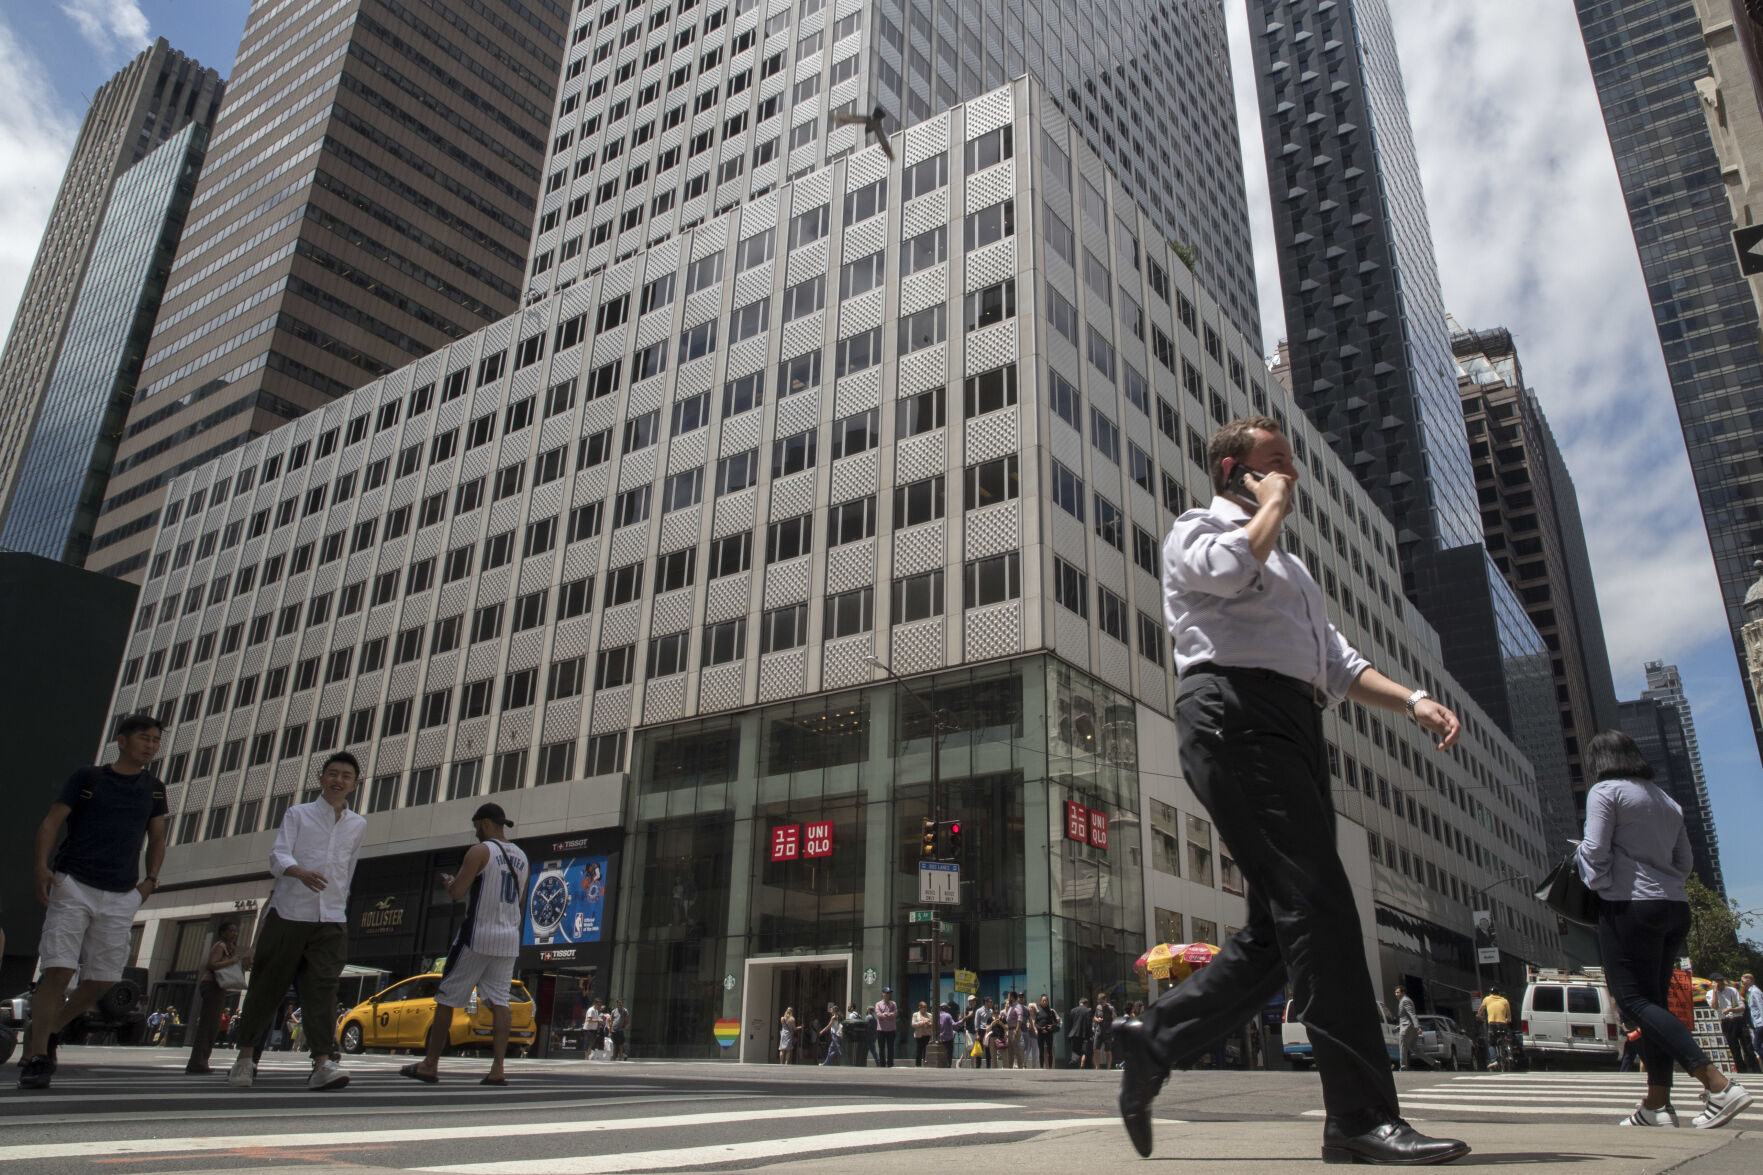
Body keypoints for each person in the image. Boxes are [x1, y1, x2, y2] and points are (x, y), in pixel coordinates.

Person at [1116, 417, 1470, 1164]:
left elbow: (1335, 664)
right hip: (1232, 713)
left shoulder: (1291, 568)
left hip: (1294, 724)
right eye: (1273, 462)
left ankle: (1156, 1038)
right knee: (1320, 907)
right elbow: (1225, 572)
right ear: (1231, 470)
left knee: (1280, 932)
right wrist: (1269, 504)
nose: (1289, 475)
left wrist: (1411, 700)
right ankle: (1357, 1115)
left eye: (1290, 466)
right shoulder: (1197, 529)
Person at [1577, 729, 1752, 1128]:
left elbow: (1595, 850)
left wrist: (1603, 882)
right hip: (1674, 906)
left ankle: (1718, 1084)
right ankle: (1657, 1106)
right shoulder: (1666, 800)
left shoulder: (1606, 792)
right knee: (1652, 1003)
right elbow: (1685, 861)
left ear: (1599, 761)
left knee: (1633, 1001)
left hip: (1629, 906)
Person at [18, 714, 167, 1090]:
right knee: (59, 969)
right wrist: (41, 867)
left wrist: (149, 882)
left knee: (103, 979)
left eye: (155, 740)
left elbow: (158, 837)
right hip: (74, 883)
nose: (150, 745)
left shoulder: (154, 788)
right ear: (122, 740)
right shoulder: (88, 778)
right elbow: (52, 822)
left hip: (122, 892)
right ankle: (36, 1056)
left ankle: (48, 1028)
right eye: (144, 738)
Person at [227, 753, 366, 1092]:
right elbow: (278, 854)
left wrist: (341, 904)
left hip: (331, 916)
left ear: (354, 784)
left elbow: (349, 869)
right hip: (290, 911)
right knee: (267, 985)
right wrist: (299, 872)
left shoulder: (357, 824)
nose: (338, 780)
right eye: (332, 774)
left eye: (346, 776)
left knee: (323, 989)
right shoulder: (298, 814)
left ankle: (321, 1063)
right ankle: (245, 1059)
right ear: (321, 778)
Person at [401, 802, 531, 1086]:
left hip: (477, 935)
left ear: (484, 823)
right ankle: (498, 1068)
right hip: (508, 937)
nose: (475, 832)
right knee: (500, 1002)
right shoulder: (522, 857)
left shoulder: (480, 851)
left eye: (476, 827)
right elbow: (519, 901)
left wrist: (450, 883)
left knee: (447, 997)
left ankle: (430, 1064)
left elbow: (458, 892)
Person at [187, 921, 242, 1074]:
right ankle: (198, 1062)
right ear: (222, 933)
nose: (234, 933)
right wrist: (232, 960)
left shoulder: (228, 947)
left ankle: (202, 1060)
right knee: (208, 1025)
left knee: (212, 1025)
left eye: (236, 931)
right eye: (231, 930)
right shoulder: (220, 946)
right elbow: (211, 964)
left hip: (218, 986)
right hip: (212, 985)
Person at [1709, 976, 1757, 1075]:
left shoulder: (1731, 990)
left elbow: (1741, 1007)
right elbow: (1715, 1006)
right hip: (1726, 1021)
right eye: (1718, 982)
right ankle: (1742, 1070)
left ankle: (1755, 1069)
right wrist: (1714, 991)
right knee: (1734, 1048)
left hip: (1739, 1019)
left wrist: (1730, 1009)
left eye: (1721, 981)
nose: (1720, 984)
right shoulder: (1710, 994)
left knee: (1748, 1046)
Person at [1479, 986, 1512, 1070]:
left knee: (1491, 1043)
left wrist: (1479, 1016)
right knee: (1506, 1038)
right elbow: (1509, 1017)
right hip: (1503, 1024)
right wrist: (1507, 1020)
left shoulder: (1487, 999)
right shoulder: (1505, 1001)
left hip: (1492, 1024)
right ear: (1499, 993)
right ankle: (1509, 1054)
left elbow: (1480, 1011)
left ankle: (1494, 1060)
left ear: (1490, 993)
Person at [1395, 987, 1423, 1071]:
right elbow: (1406, 1016)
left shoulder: (1405, 1000)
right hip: (1407, 1026)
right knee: (1414, 1048)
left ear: (1403, 993)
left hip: (1407, 1027)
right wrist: (1399, 1025)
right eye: (1395, 992)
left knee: (1402, 1045)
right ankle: (1434, 1062)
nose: (1396, 994)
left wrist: (1417, 1027)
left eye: (1397, 992)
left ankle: (1403, 1067)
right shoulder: (1404, 1000)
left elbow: (1411, 1014)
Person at [873, 987, 898, 1067]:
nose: (888, 995)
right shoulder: (878, 1004)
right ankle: (882, 1064)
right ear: (883, 994)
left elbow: (895, 1014)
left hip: (891, 1029)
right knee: (881, 1048)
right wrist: (887, 1015)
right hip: (881, 1029)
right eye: (886, 993)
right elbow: (878, 1015)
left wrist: (886, 1014)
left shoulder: (893, 1004)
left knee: (890, 1047)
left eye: (889, 993)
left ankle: (890, 1063)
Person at [1093, 993, 1116, 1071]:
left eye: (1101, 1002)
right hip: (1099, 1030)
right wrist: (1097, 1019)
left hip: (1108, 1032)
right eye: (1099, 1002)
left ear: (1105, 1000)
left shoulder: (1110, 1008)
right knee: (1096, 1049)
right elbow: (1094, 1017)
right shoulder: (1098, 1007)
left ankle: (1108, 1068)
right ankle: (1097, 1067)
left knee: (1108, 1050)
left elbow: (1115, 1018)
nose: (1100, 1004)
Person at [1067, 996, 1092, 1069]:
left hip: (1074, 1033)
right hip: (1084, 1034)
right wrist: (1091, 1035)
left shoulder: (1073, 1011)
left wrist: (1070, 1033)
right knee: (1084, 1051)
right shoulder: (1088, 1011)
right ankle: (1082, 1065)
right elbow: (1088, 1024)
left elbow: (1070, 1024)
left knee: (1075, 1050)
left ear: (1079, 1003)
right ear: (1086, 1003)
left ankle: (1074, 1061)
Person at [1036, 995, 1061, 1069]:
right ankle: (1041, 1067)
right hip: (1041, 1033)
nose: (1044, 1002)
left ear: (1048, 1001)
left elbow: (1057, 1023)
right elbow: (1035, 1023)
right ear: (1040, 1001)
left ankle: (1050, 1067)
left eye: (1046, 1000)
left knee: (1050, 1051)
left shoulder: (1051, 1011)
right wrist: (1040, 1029)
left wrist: (1052, 1027)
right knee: (1041, 1051)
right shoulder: (1038, 1012)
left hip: (1049, 1033)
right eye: (1043, 1000)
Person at [1746, 974, 1763, 1072]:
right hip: (1757, 1022)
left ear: (1750, 980)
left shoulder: (1755, 991)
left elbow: (1761, 1005)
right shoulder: (1751, 991)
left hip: (1760, 1023)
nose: (1742, 983)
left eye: (1743, 981)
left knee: (1756, 1045)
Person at [912, 1001, 933, 1066]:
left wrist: (929, 1024)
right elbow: (913, 1024)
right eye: (923, 1007)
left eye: (926, 1007)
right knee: (919, 1051)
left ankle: (926, 1064)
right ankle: (918, 1065)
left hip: (927, 1035)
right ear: (919, 1007)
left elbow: (933, 1025)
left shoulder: (930, 1015)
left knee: (926, 1051)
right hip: (919, 1035)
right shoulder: (915, 1015)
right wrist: (922, 1022)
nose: (925, 1008)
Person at [937, 1002, 956, 1068]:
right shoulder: (948, 1015)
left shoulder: (937, 1016)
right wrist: (963, 1020)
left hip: (940, 1037)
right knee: (949, 1052)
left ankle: (942, 1064)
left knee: (943, 1052)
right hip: (949, 1037)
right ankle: (948, 1064)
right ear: (944, 1008)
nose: (948, 1010)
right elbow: (954, 1025)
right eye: (947, 1008)